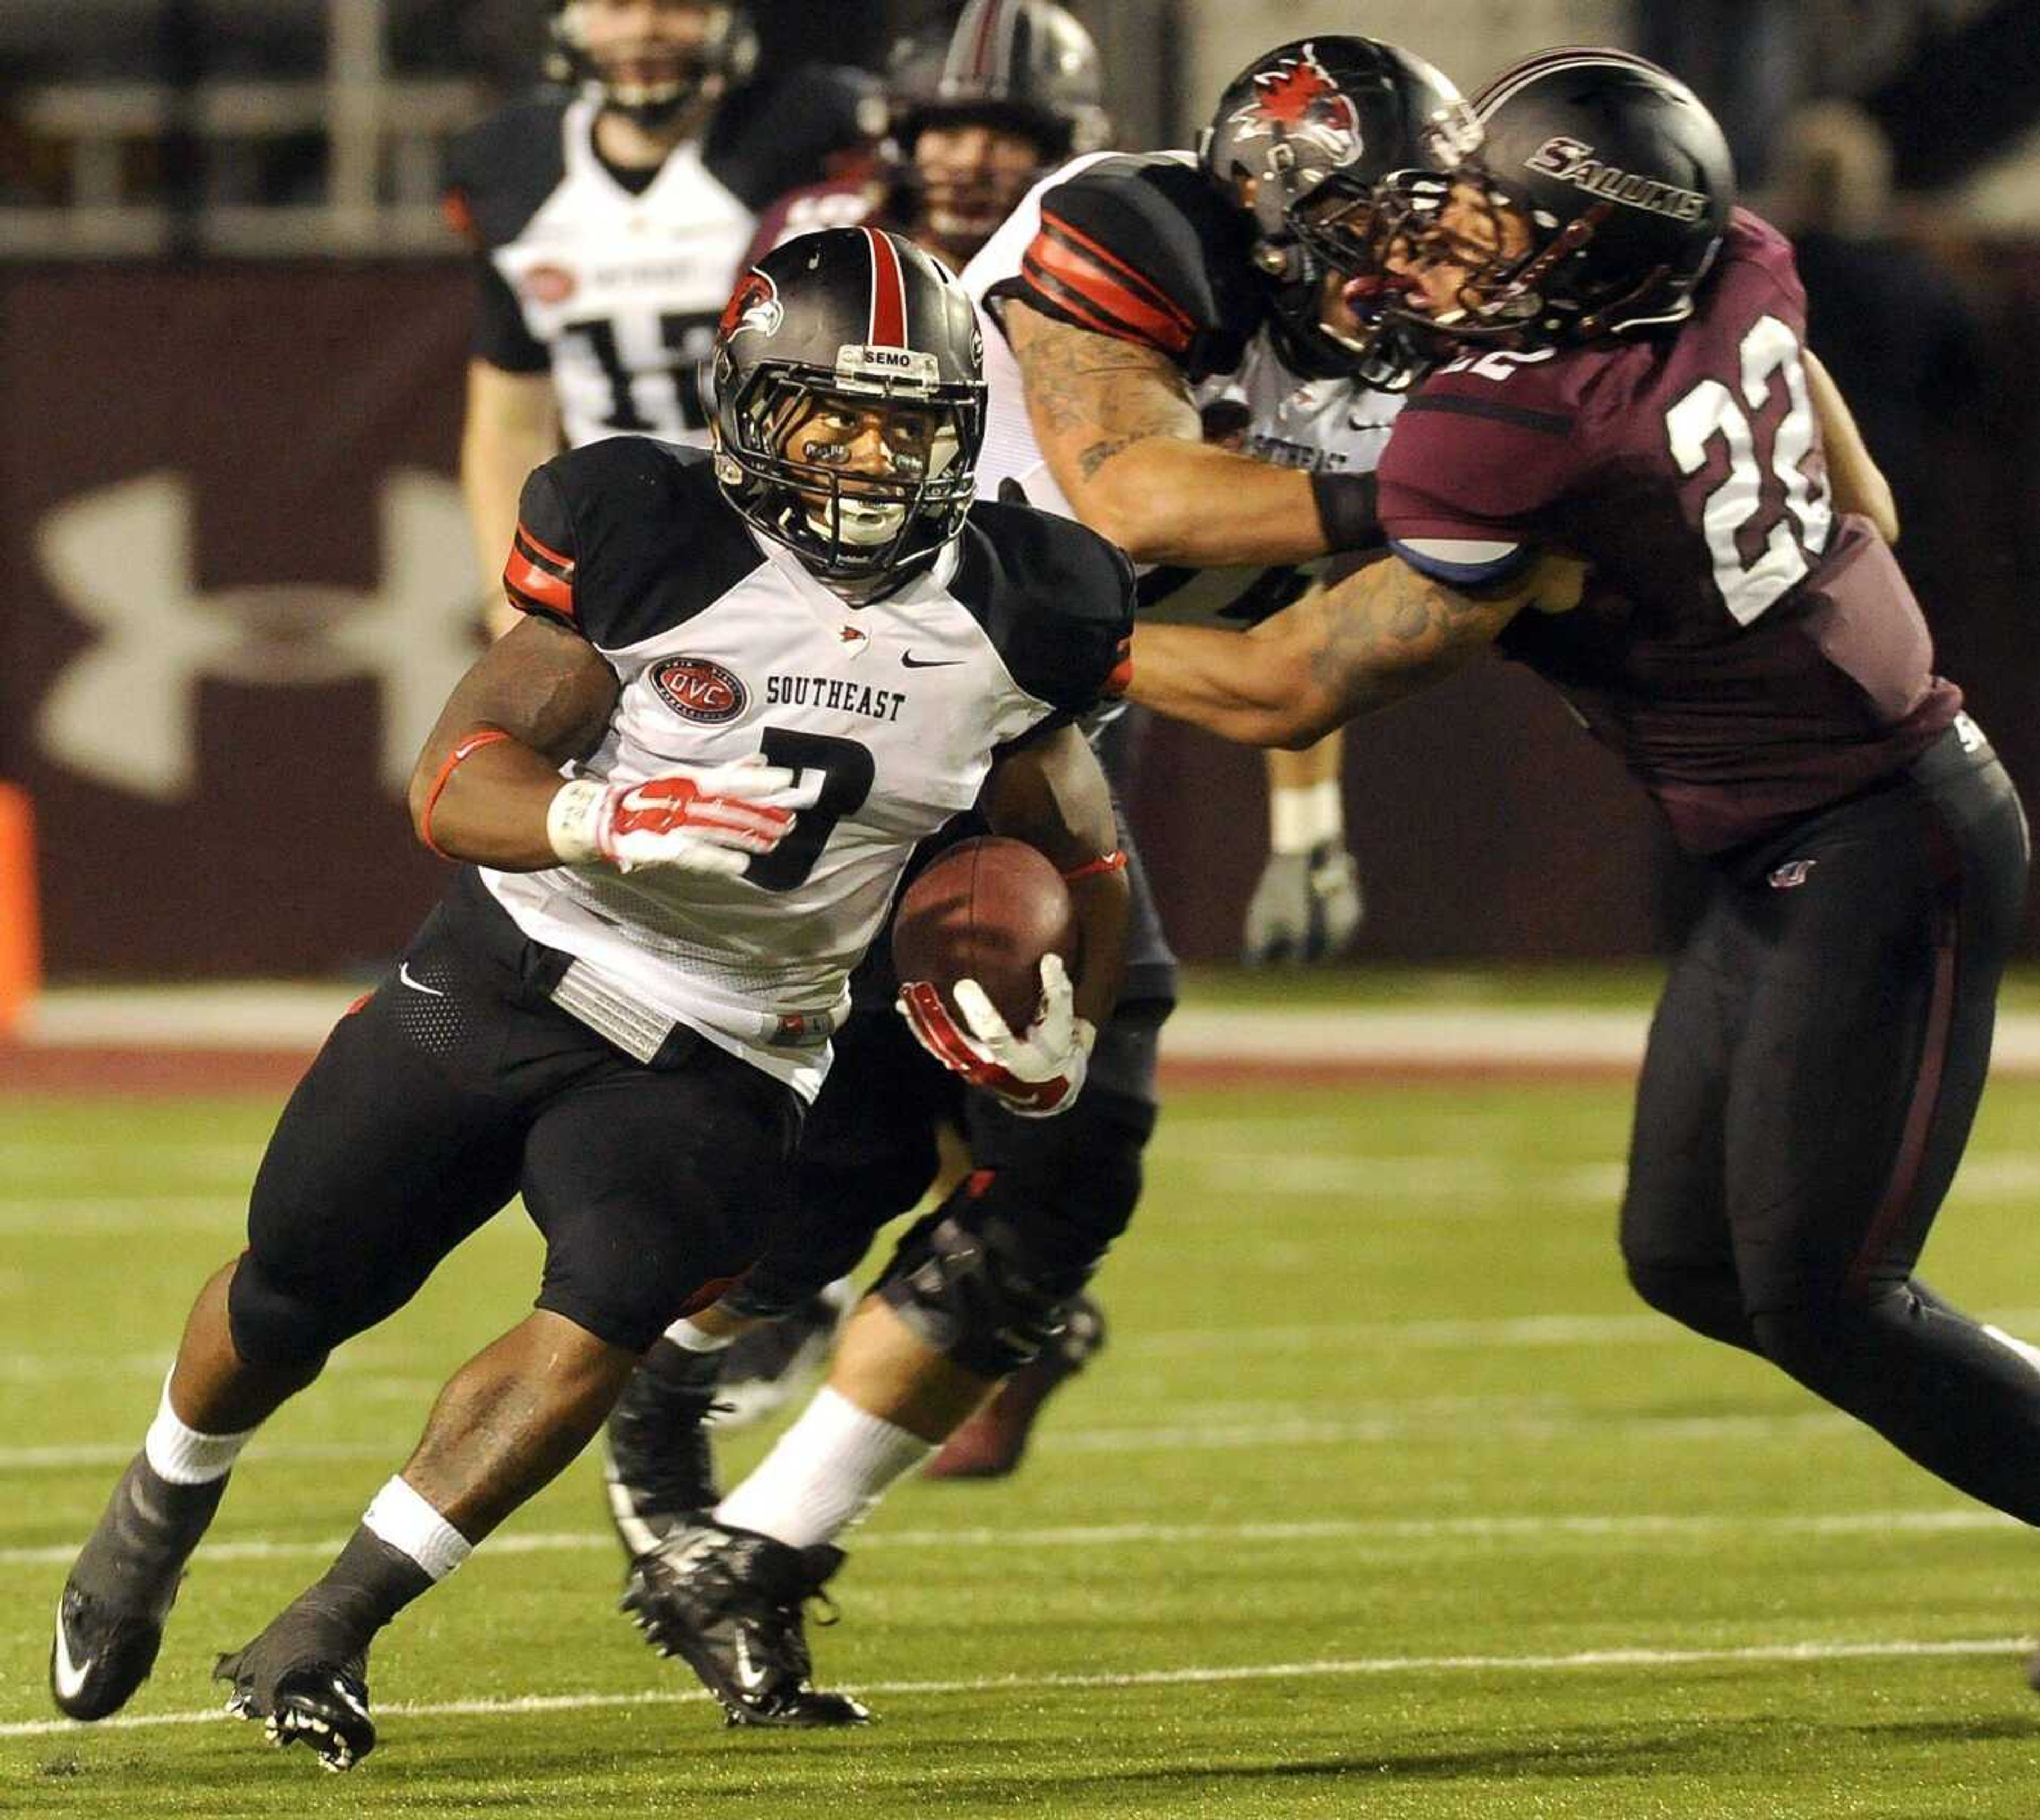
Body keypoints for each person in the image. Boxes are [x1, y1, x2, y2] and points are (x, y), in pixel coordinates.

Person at [47, 227, 1136, 1768]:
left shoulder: (1032, 606)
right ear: (750, 409)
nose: (868, 459)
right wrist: (605, 816)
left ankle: (331, 1624)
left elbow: (1079, 854)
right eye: (834, 414)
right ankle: (162, 1499)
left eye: (908, 424)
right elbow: (456, 775)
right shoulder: (651, 534)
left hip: (732, 1044)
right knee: (297, 1290)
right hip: (511, 970)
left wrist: (1060, 1041)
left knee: (608, 1306)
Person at [1125, 47, 2040, 1673]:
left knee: (1824, 1289)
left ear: (1598, 253)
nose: (1452, 242)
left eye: (1504, 227)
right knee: (1687, 1259)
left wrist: (1047, 637)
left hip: (1878, 833)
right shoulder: (1737, 261)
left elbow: (1281, 688)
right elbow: (1870, 499)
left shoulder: (1512, 428)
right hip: (1790, 830)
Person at [599, 34, 1472, 1727]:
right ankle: (637, 1420)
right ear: (1270, 206)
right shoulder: (1130, 223)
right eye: (1375, 225)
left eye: (1427, 229)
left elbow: (1288, 674)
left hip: (1021, 726)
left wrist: (1321, 746)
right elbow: (1132, 484)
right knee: (857, 1155)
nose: (1410, 266)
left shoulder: (1428, 368)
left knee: (1027, 1166)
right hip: (849, 701)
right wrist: (1443, 497)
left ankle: (749, 1530)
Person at [444, 0, 882, 635]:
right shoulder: (509, 164)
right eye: (616, 6)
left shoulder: (810, 136)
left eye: (678, 6)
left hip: (805, 546)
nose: (644, 29)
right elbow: (509, 421)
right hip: (618, 548)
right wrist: (505, 598)